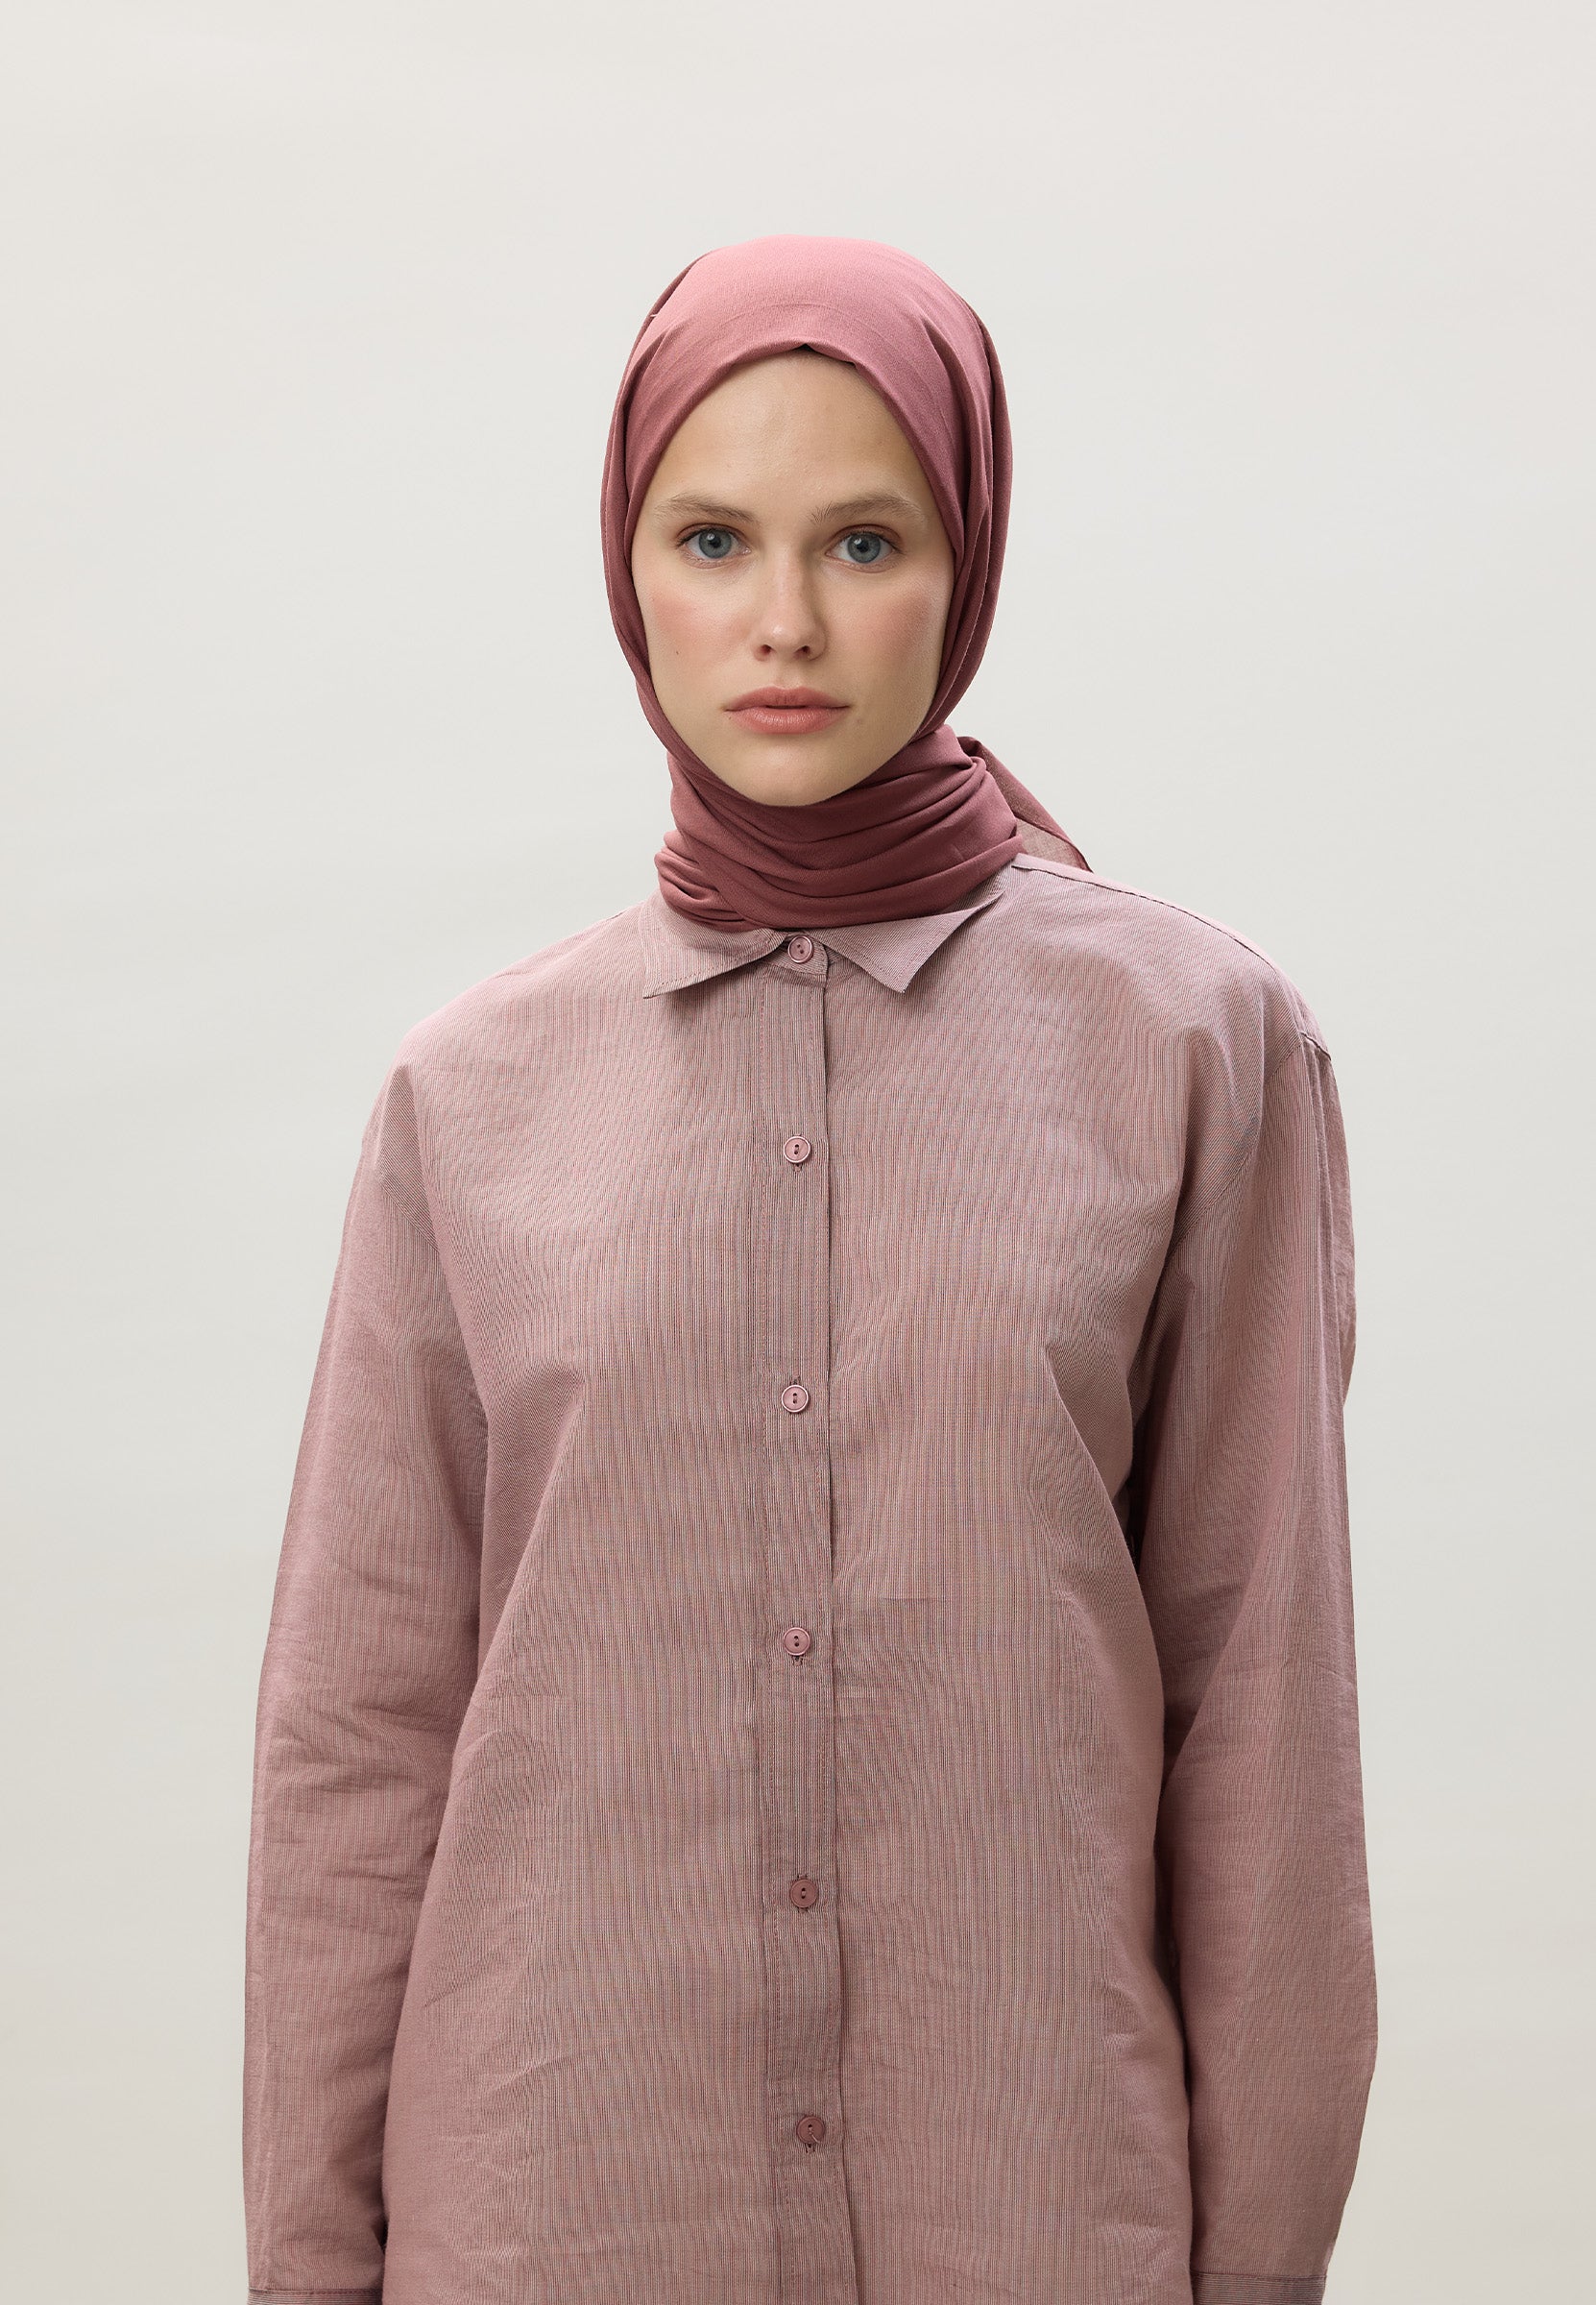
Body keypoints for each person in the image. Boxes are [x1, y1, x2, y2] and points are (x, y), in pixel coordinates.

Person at [243, 234, 1377, 2305]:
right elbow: (359, 1739)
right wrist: (313, 2267)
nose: (783, 621)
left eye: (864, 540)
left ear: (968, 563)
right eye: (712, 540)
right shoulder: (465, 1096)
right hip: (559, 2211)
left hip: (1031, 2214)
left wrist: (1263, 2263)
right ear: (626, 569)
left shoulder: (1194, 1051)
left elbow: (1264, 1713)